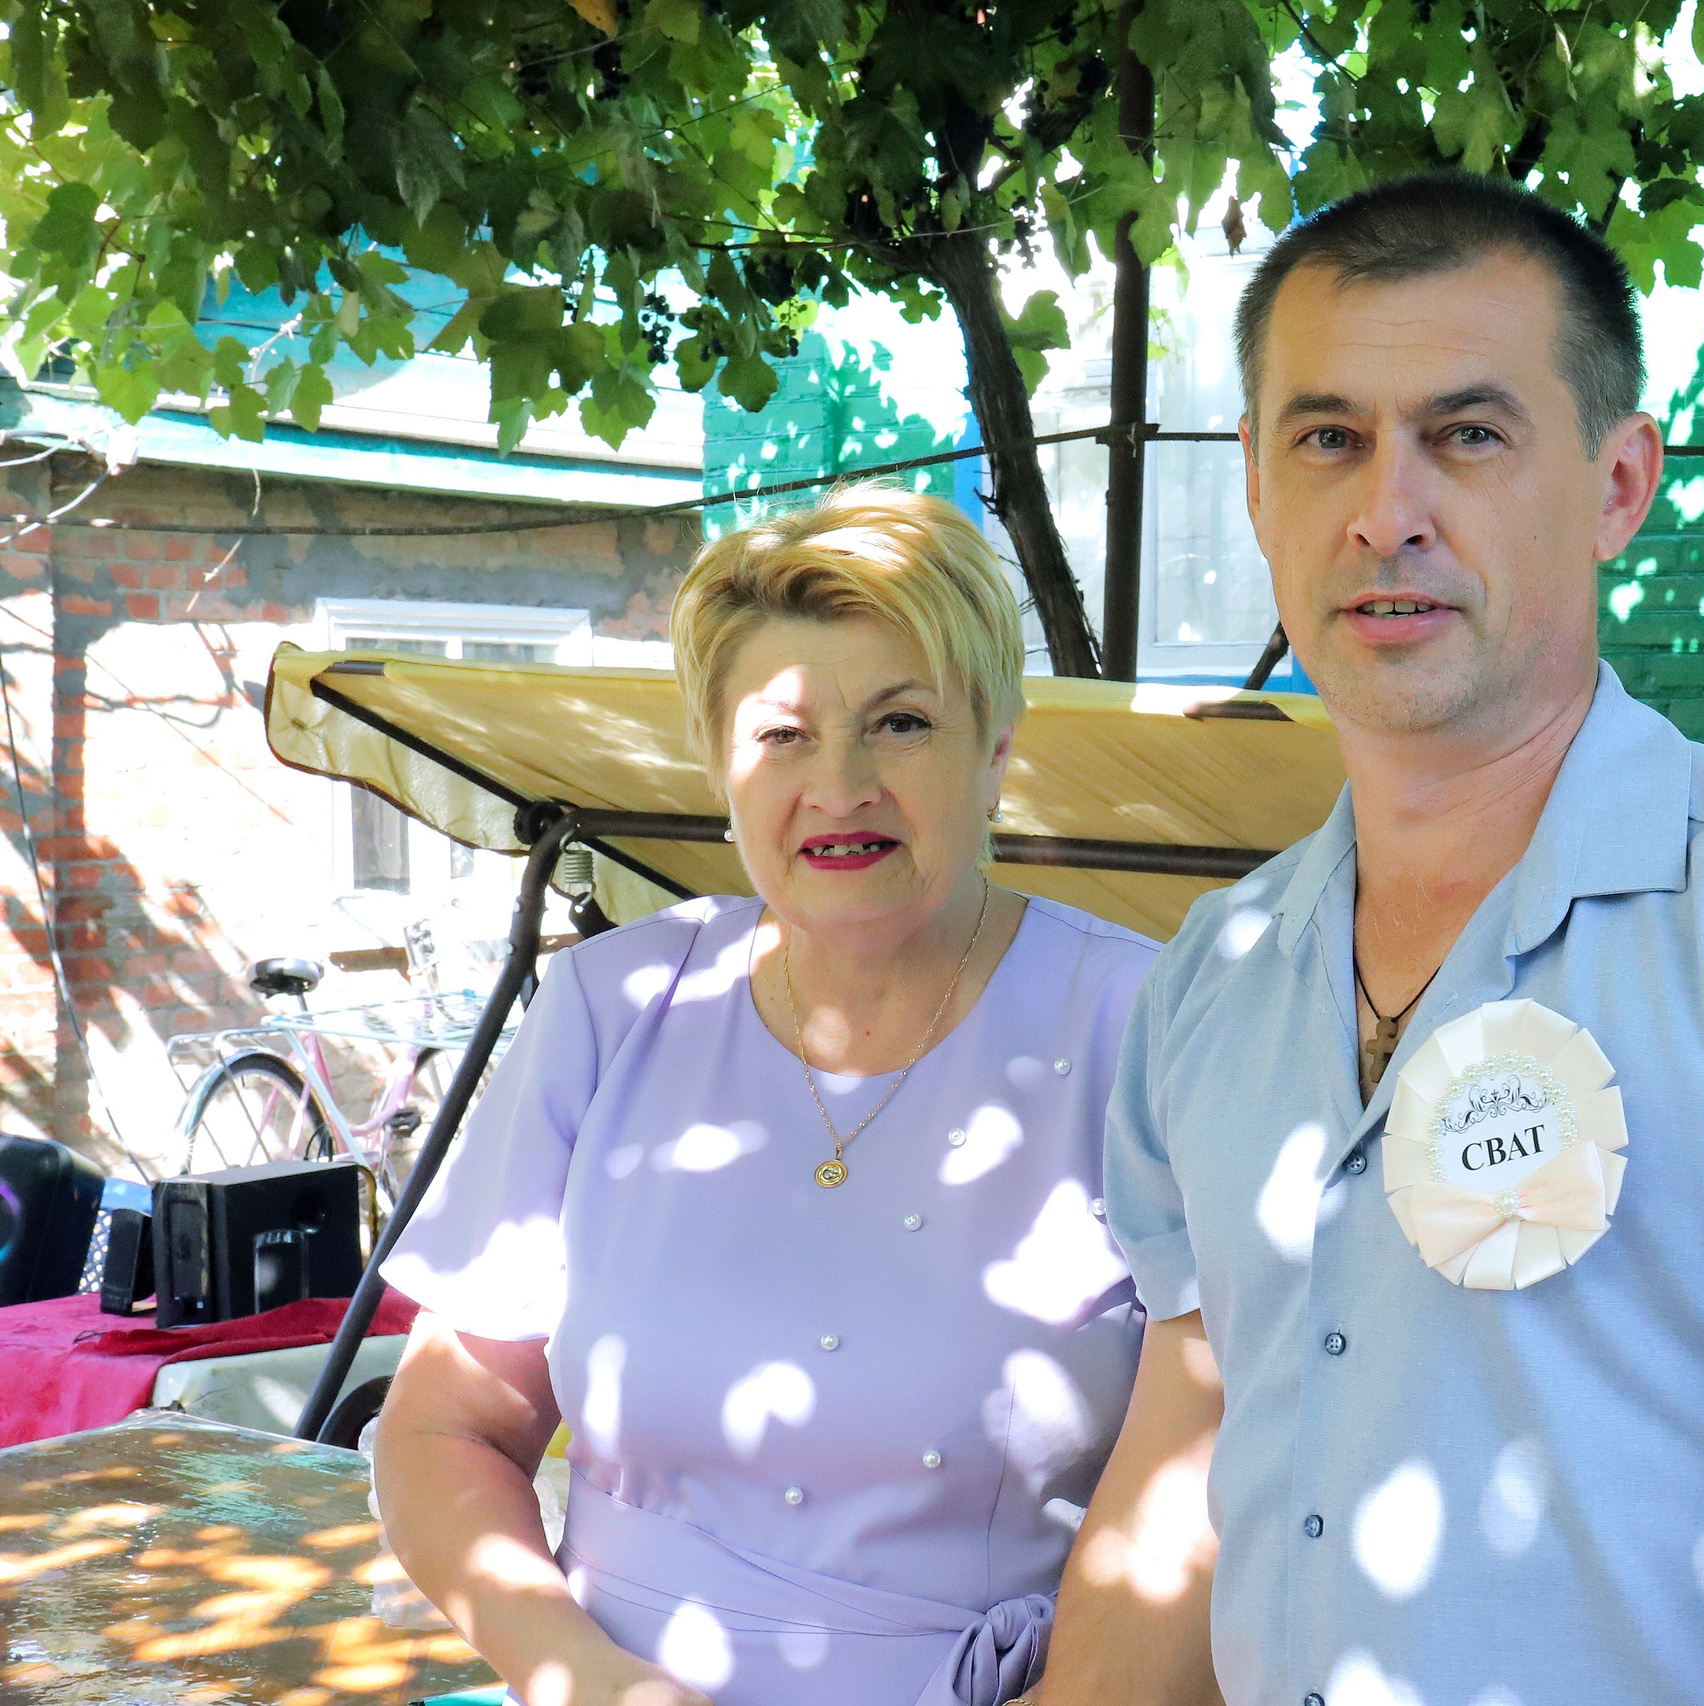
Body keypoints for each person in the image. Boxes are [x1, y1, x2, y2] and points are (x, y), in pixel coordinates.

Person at [1037, 174, 1704, 1706]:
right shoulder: (1216, 974)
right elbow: (1174, 1526)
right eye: (1327, 438)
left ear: (1615, 484)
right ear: (1258, 488)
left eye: (1467, 434)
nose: (1385, 510)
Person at [373, 486, 1155, 1706]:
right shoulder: (608, 1008)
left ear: (996, 743)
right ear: (717, 756)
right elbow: (445, 1429)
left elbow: (1217, 1492)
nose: (839, 785)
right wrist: (573, 1670)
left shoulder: (1142, 1028)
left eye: (900, 723)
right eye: (783, 733)